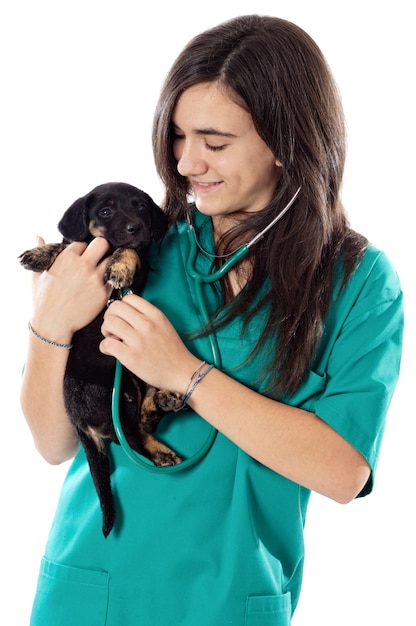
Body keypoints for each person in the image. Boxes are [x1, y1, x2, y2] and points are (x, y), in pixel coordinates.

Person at [21, 14, 404, 626]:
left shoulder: (359, 282)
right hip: (89, 593)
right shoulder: (141, 248)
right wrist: (49, 326)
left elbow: (342, 470)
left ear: (286, 142)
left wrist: (184, 373)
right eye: (176, 136)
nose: (184, 163)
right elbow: (54, 443)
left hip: (229, 601)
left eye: (215, 142)